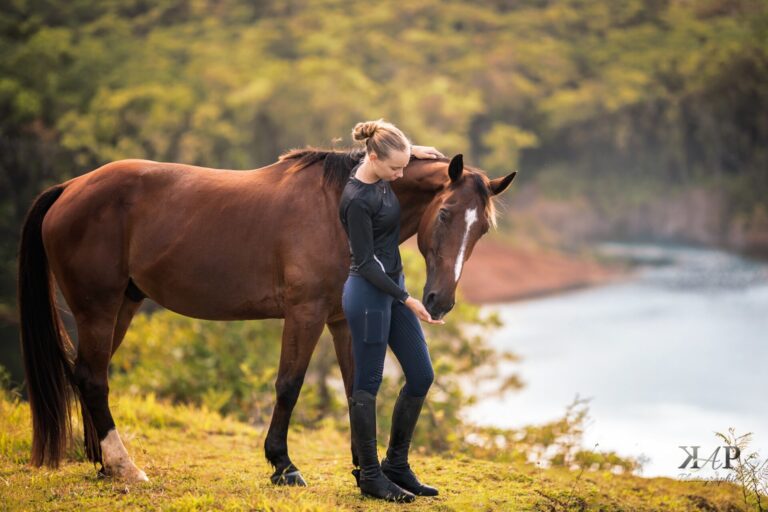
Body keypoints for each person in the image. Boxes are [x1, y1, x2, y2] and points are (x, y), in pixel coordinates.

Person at [338, 118, 445, 503]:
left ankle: (396, 465)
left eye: (404, 167)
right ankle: (369, 475)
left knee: (421, 375)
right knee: (367, 386)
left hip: (393, 288)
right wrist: (407, 300)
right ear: (373, 159)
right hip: (368, 295)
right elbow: (365, 263)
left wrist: (412, 152)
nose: (401, 175)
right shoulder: (355, 198)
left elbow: (377, 150)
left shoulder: (379, 168)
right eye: (396, 168)